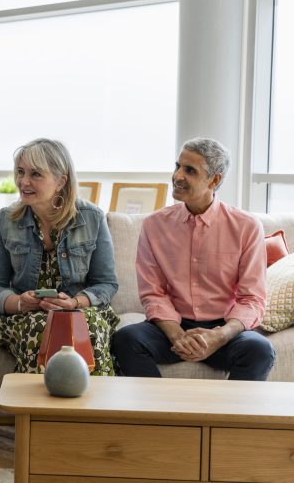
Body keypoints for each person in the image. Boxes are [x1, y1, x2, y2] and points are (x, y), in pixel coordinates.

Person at [111, 137, 275, 381]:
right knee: (125, 340)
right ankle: (160, 416)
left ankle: (228, 420)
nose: (177, 176)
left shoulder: (246, 226)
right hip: (171, 328)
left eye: (189, 170)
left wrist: (219, 336)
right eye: (177, 166)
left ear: (215, 180)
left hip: (224, 330)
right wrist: (179, 336)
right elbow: (153, 293)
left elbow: (252, 298)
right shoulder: (154, 225)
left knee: (259, 350)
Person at [0, 138, 119, 374]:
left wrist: (75, 303)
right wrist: (20, 303)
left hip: (81, 309)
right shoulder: (5, 220)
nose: (23, 182)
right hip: (27, 314)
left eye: (36, 174)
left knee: (89, 328)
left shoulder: (92, 217)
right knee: (41, 328)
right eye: (20, 172)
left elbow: (106, 283)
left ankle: (95, 409)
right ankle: (38, 410)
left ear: (60, 181)